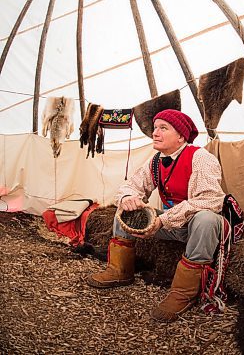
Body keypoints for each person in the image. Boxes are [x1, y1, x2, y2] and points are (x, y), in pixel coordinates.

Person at [87, 109, 226, 322]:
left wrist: (164, 220)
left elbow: (209, 200)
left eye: (163, 128)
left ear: (181, 136)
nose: (155, 133)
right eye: (155, 128)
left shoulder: (200, 157)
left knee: (206, 219)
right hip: (171, 223)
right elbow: (131, 185)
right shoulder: (156, 161)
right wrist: (128, 198)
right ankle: (119, 271)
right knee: (125, 209)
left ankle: (183, 293)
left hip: (197, 228)